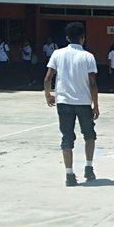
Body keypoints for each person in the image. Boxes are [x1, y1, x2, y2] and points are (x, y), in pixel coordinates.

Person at [44, 22, 100, 186]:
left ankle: (69, 174)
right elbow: (93, 83)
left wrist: (48, 95)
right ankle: (89, 168)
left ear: (67, 37)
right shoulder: (88, 57)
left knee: (67, 137)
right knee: (89, 135)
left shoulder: (57, 54)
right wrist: (95, 105)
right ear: (83, 38)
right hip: (83, 102)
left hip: (64, 102)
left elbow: (48, 78)